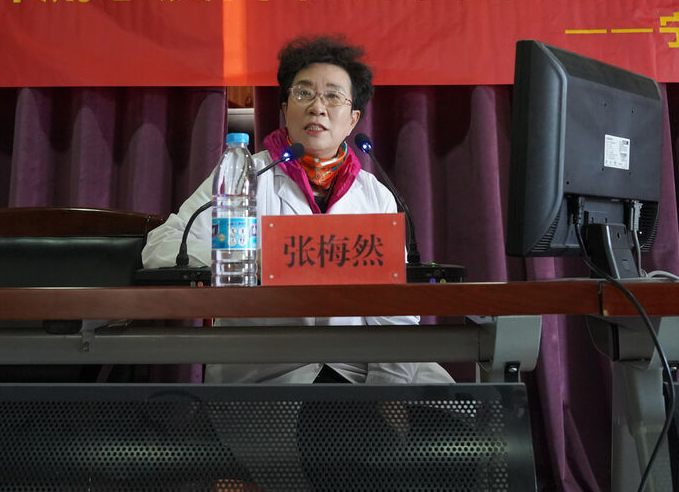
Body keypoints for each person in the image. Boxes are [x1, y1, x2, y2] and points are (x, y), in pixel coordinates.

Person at [142, 34, 452, 386]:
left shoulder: (375, 194)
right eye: (304, 93)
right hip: (269, 370)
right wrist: (248, 259)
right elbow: (162, 245)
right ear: (285, 108)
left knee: (461, 407)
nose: (317, 107)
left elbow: (396, 308)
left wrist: (387, 391)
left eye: (332, 96)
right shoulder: (246, 175)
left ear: (352, 119)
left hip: (359, 366)